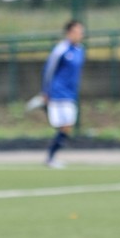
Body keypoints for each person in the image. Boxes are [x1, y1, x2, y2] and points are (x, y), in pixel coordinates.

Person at [41, 19, 85, 168]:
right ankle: (51, 157)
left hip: (71, 94)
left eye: (81, 32)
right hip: (58, 93)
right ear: (69, 33)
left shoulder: (80, 50)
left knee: (66, 127)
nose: (80, 34)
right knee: (65, 126)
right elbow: (49, 70)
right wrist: (46, 91)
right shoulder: (61, 49)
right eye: (77, 31)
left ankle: (51, 156)